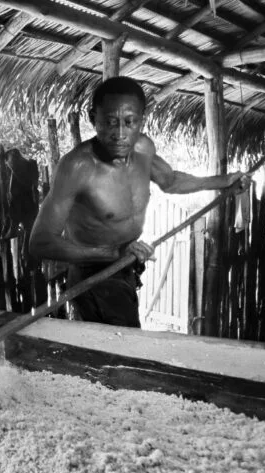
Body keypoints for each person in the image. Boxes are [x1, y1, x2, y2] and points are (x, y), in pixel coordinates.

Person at [29, 77, 249, 328]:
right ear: (93, 118)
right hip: (94, 276)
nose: (120, 134)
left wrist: (224, 181)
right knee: (124, 350)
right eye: (110, 122)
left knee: (120, 348)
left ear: (141, 120)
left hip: (126, 268)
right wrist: (110, 254)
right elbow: (40, 243)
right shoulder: (78, 167)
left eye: (130, 122)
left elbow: (171, 181)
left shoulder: (143, 148)